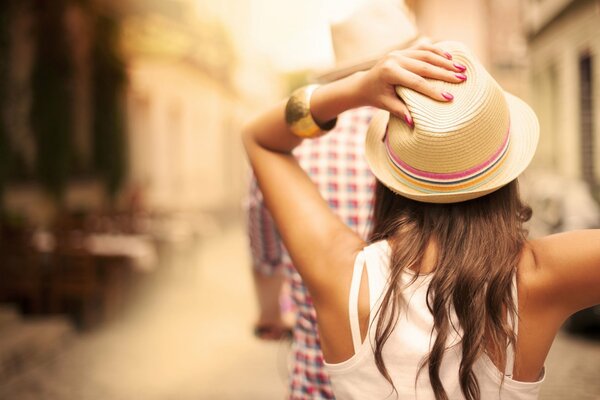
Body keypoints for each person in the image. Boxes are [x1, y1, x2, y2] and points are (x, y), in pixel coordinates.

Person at [242, 39, 600, 400]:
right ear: (505, 168)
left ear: (391, 171)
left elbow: (260, 138)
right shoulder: (542, 276)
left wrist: (358, 89)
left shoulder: (344, 277)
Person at [246, 1, 419, 397]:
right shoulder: (427, 136)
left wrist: (270, 313)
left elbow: (266, 254)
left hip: (320, 382)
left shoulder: (290, 148)